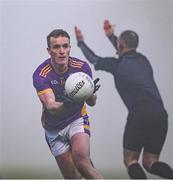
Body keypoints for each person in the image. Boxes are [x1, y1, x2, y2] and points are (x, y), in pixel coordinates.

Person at [74, 20, 173, 179]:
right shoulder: (143, 60)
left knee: (131, 160)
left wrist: (80, 43)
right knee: (150, 162)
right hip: (160, 115)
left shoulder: (117, 64)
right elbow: (125, 49)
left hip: (140, 114)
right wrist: (111, 36)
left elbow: (93, 59)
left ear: (120, 45)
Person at [32, 29, 103, 179]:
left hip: (76, 119)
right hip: (53, 129)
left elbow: (92, 102)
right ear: (49, 51)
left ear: (70, 48)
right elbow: (51, 107)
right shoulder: (41, 74)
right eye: (56, 47)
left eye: (65, 46)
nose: (62, 51)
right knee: (73, 178)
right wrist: (69, 101)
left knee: (82, 164)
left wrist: (90, 92)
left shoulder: (81, 68)